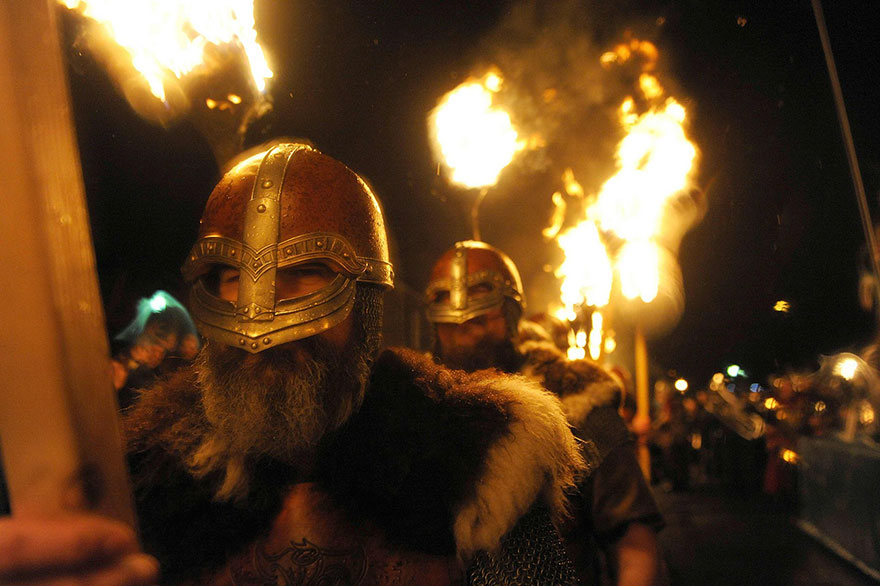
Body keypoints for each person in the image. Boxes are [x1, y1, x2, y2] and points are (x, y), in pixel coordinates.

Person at [0, 141, 586, 586]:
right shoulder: (159, 479)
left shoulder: (474, 468)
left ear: (366, 301)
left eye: (305, 272)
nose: (262, 316)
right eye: (233, 275)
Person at [426, 239, 665, 586]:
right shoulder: (414, 409)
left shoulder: (576, 401)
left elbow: (634, 545)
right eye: (446, 306)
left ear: (510, 313)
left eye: (482, 307)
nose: (465, 326)